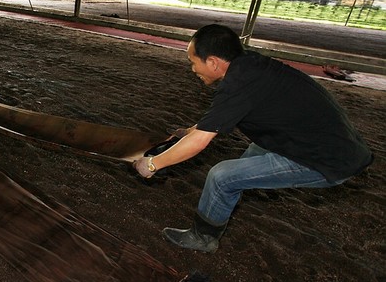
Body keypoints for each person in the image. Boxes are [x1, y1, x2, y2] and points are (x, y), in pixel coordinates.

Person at [133, 24, 373, 253]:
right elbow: (217, 119)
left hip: (326, 159)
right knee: (252, 153)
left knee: (222, 176)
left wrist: (153, 164)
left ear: (213, 62)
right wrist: (192, 130)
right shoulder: (249, 68)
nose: (192, 69)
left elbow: (201, 141)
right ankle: (224, 201)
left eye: (192, 62)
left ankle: (202, 238)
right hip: (337, 144)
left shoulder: (239, 83)